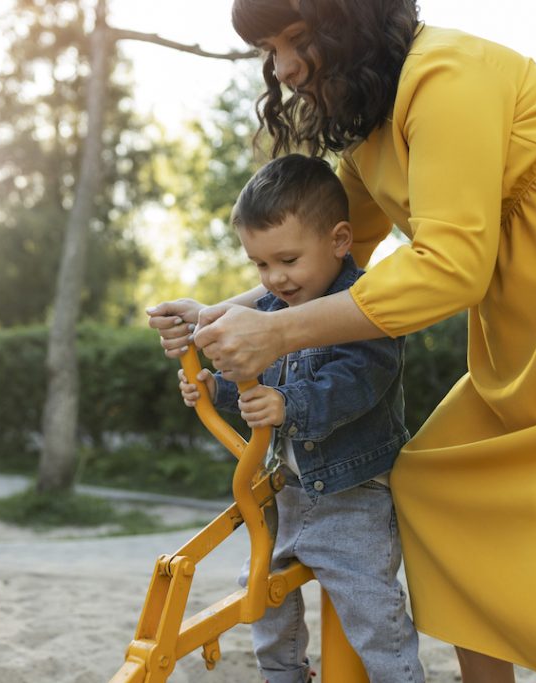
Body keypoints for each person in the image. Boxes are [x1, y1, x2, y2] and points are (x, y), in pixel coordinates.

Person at [147, 1, 536, 682]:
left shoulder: (444, 76)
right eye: (269, 49)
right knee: (433, 482)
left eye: (297, 38)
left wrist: (274, 331)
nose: (281, 67)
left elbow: (449, 269)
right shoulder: (371, 134)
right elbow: (334, 264)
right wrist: (216, 316)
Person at [174, 153, 425, 683]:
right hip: (284, 496)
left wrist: (291, 405)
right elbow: (252, 387)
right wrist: (214, 387)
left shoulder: (364, 307)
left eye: (287, 260)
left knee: (373, 614)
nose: (275, 278)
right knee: (262, 596)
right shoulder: (266, 312)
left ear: (338, 241)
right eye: (261, 265)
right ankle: (284, 676)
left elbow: (359, 381)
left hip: (352, 499)